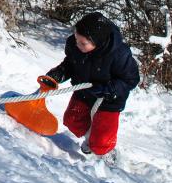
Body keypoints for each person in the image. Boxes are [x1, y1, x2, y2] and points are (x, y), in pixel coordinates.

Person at [41, 11, 140, 157]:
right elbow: (70, 64)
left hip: (108, 100)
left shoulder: (118, 54)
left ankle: (105, 152)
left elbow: (131, 79)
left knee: (101, 143)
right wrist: (59, 74)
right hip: (84, 93)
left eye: (83, 43)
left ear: (97, 42)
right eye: (76, 39)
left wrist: (109, 90)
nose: (77, 44)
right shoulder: (76, 46)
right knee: (72, 120)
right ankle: (90, 137)